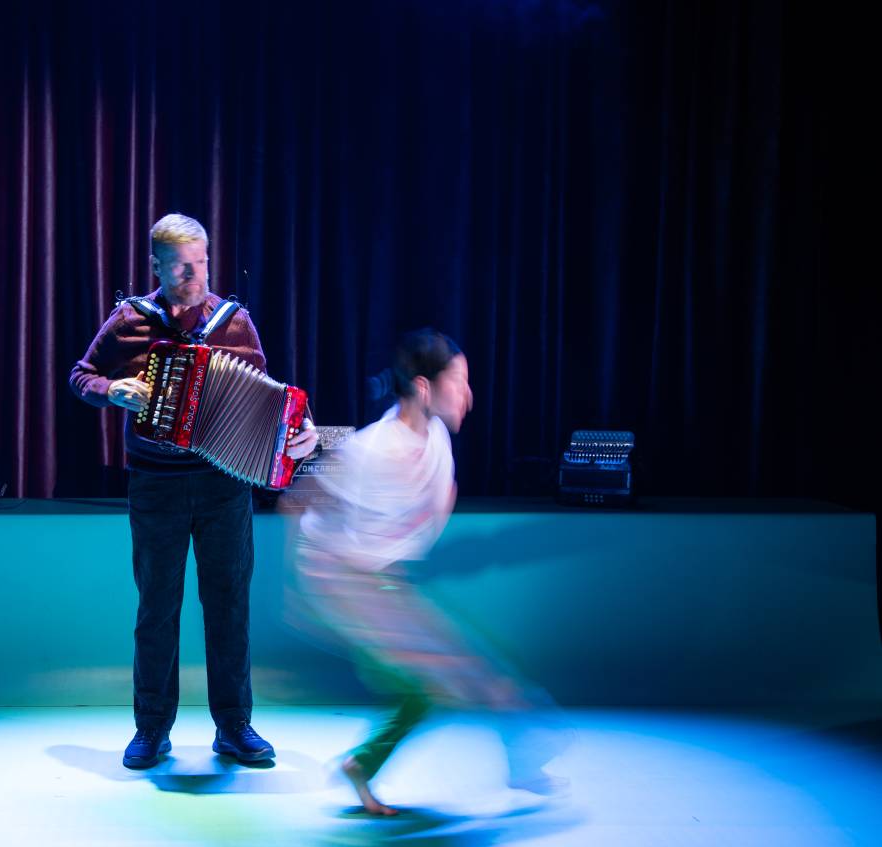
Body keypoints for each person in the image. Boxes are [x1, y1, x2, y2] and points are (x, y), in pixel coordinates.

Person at [70, 213, 317, 769]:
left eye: (201, 262)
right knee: (157, 608)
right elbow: (80, 375)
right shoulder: (130, 320)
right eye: (181, 265)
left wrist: (298, 433)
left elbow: (268, 405)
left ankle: (234, 726)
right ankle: (152, 729)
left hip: (222, 485)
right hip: (154, 486)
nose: (193, 274)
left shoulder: (234, 323)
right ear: (156, 265)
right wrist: (112, 389)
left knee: (228, 608)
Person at [290, 329, 567, 814]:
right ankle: (523, 747)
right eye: (457, 381)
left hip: (383, 583)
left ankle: (364, 765)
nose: (468, 395)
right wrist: (317, 596)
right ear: (423, 388)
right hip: (348, 582)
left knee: (431, 685)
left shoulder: (434, 435)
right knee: (456, 669)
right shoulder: (373, 449)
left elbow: (435, 498)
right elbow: (300, 501)